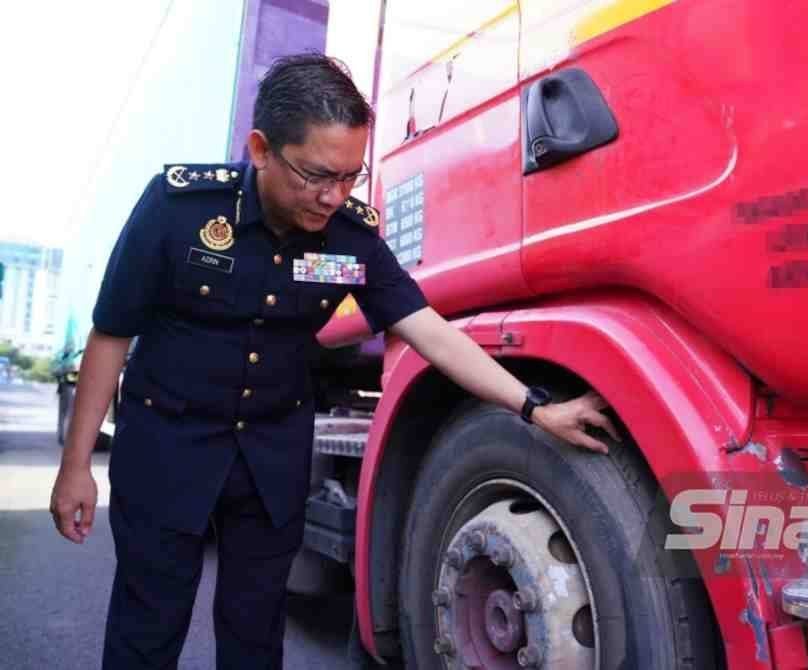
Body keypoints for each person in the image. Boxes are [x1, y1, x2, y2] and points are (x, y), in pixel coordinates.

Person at [49, 53, 620, 669]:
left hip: (269, 460)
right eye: (317, 175)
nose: (333, 195)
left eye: (351, 176)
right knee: (148, 627)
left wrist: (535, 408)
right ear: (262, 149)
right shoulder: (178, 211)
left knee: (254, 634)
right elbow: (110, 335)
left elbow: (428, 329)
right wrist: (76, 465)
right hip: (166, 449)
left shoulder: (350, 239)